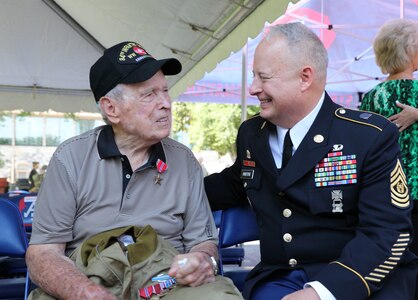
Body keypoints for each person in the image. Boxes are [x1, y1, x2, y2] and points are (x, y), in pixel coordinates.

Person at [204, 22, 417, 300]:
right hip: (281, 279)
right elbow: (233, 184)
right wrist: (168, 193)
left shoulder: (367, 137)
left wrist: (322, 292)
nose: (254, 88)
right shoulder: (251, 134)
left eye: (263, 77)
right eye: (253, 76)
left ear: (305, 78)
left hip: (360, 279)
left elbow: (387, 232)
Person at [25, 41, 242, 299]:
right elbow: (43, 253)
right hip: (88, 277)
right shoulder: (70, 158)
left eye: (164, 91)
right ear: (111, 108)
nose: (166, 103)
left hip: (166, 282)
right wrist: (84, 292)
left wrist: (203, 260)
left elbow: (202, 243)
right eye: (149, 95)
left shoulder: (184, 161)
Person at [359, 18, 418, 299]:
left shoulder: (371, 97)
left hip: (384, 196)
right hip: (416, 195)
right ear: (410, 51)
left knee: (389, 264)